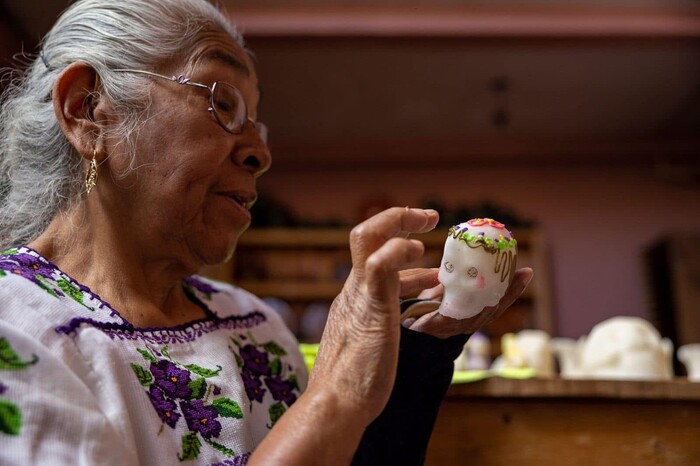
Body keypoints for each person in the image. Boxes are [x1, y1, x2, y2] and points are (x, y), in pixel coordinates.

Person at [0, 0, 533, 464]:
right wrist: (338, 392)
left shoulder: (255, 327)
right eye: (222, 104)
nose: (261, 152)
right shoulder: (15, 331)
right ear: (89, 112)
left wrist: (418, 357)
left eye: (256, 121)